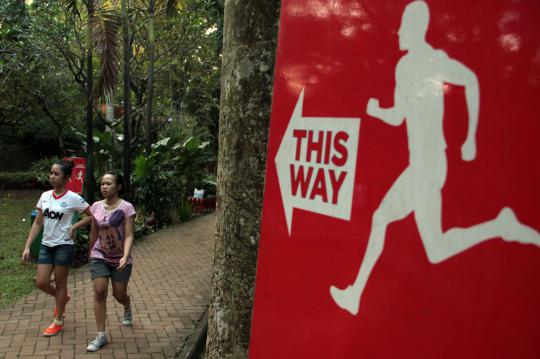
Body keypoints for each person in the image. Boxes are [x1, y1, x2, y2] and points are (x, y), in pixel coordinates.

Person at [330, 0, 540, 315]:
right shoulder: (402, 67)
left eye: (404, 25)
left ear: (416, 28)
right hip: (418, 165)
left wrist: (470, 136)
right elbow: (398, 117)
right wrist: (376, 112)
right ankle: (356, 293)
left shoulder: (435, 61)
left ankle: (499, 226)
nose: (398, 31)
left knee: (410, 235)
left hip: (430, 165)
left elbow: (470, 80)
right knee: (413, 236)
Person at [22, 160, 92, 336]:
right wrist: (28, 246)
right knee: (41, 282)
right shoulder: (45, 196)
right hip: (46, 245)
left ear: (66, 177)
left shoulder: (73, 198)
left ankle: (58, 320)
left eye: (56, 174)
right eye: (51, 173)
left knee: (61, 284)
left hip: (64, 246)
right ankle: (62, 299)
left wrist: (75, 226)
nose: (52, 176)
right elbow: (38, 222)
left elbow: (93, 215)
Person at [86, 171, 136, 352]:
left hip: (121, 259)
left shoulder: (126, 208)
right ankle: (101, 335)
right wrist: (90, 253)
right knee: (99, 292)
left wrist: (125, 254)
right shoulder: (96, 206)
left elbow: (129, 234)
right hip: (100, 255)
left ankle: (127, 305)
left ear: (119, 186)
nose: (104, 187)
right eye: (102, 184)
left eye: (108, 183)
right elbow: (93, 233)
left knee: (119, 295)